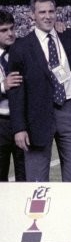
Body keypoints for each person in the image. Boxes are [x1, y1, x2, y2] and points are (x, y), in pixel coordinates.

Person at [8, 0, 71, 182]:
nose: (48, 16)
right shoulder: (21, 47)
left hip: (68, 109)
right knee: (36, 176)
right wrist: (19, 128)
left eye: (51, 11)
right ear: (32, 15)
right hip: (37, 114)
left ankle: (69, 209)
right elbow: (16, 92)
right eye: (42, 12)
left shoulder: (70, 36)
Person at [0, 9, 25, 181]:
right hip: (0, 122)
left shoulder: (23, 48)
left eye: (11, 28)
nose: (10, 34)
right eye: (3, 30)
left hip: (22, 122)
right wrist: (2, 85)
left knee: (25, 176)